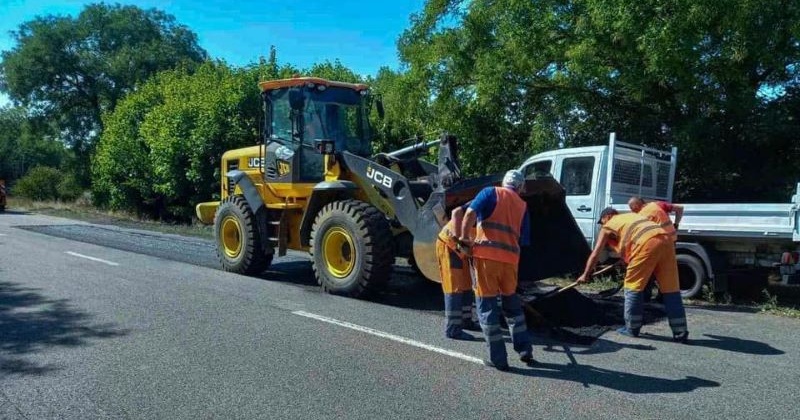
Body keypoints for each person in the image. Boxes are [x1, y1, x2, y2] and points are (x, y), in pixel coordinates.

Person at [577, 207, 689, 343]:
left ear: (608, 216)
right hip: (666, 240)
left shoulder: (608, 225)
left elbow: (595, 253)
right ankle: (680, 331)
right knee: (671, 289)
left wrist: (585, 274)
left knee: (633, 287)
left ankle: (632, 328)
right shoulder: (631, 217)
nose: (602, 224)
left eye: (602, 221)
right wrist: (625, 260)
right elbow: (632, 243)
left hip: (647, 243)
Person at [460, 170, 534, 371]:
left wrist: (464, 238)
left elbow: (469, 213)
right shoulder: (523, 205)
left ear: (504, 182)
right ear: (519, 187)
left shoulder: (490, 192)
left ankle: (498, 359)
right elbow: (523, 240)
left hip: (486, 259)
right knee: (512, 307)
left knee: (487, 308)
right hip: (510, 262)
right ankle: (524, 348)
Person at [436, 206, 479, 340]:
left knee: (466, 284)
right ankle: (453, 329)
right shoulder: (484, 200)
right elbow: (456, 212)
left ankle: (466, 321)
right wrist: (457, 239)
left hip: (463, 249)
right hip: (450, 245)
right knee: (454, 286)